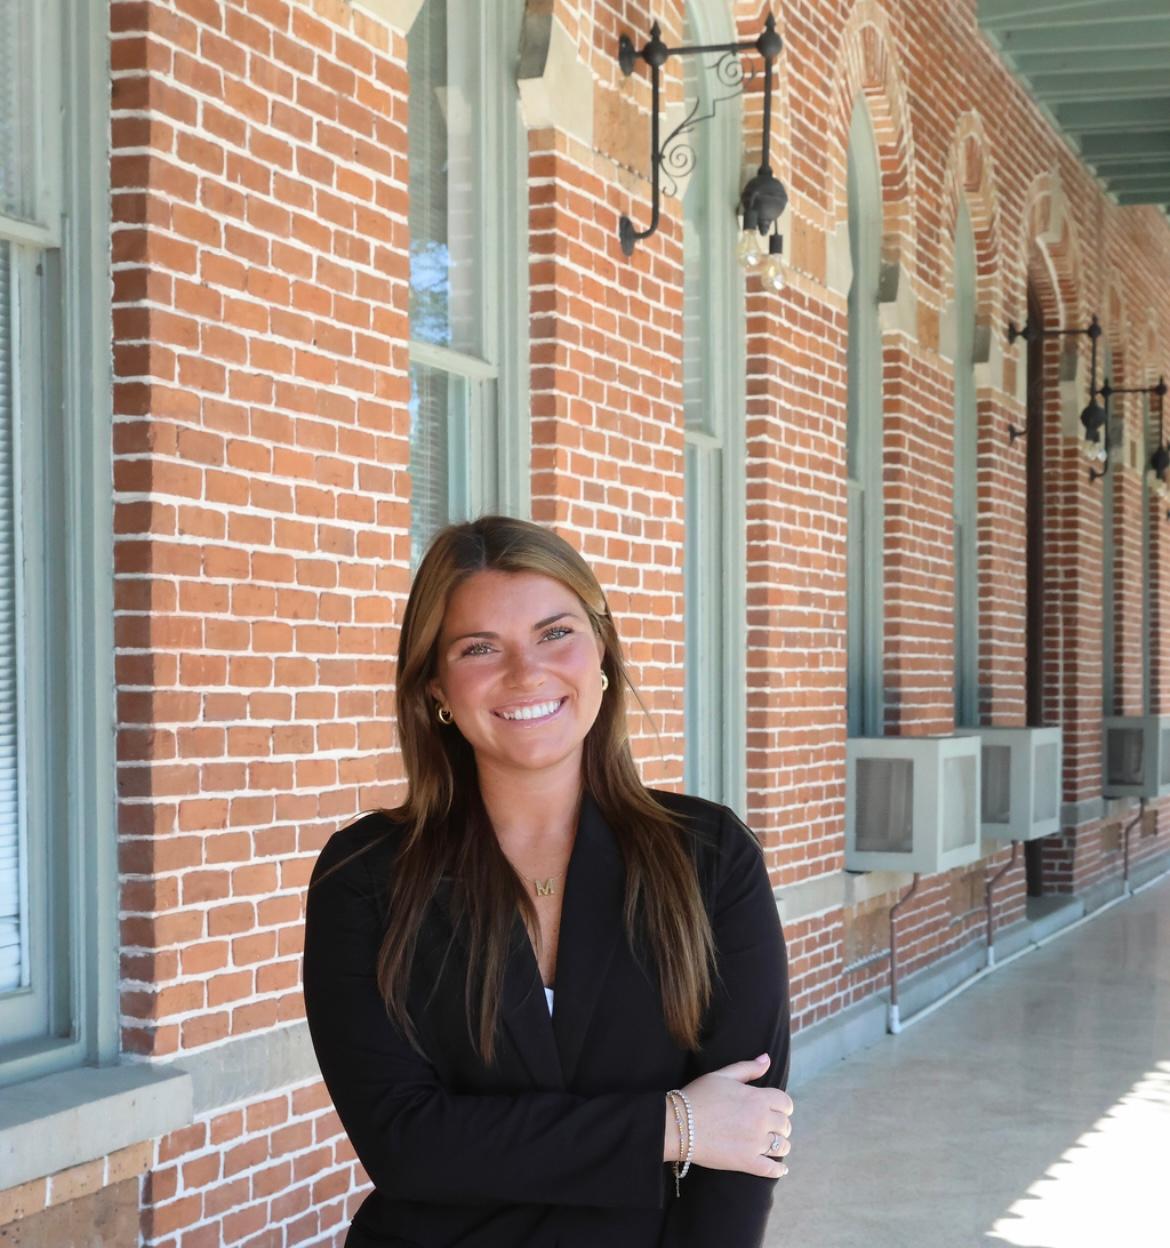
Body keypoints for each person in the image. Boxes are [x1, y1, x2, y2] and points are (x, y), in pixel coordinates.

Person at [302, 515, 793, 1248]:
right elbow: (406, 1145)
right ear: (436, 686)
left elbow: (746, 1140)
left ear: (601, 654)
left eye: (555, 633)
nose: (526, 674)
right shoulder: (365, 877)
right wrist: (674, 1126)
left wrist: (501, 1139)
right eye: (479, 648)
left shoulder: (711, 858)